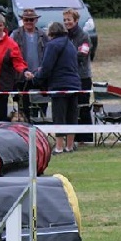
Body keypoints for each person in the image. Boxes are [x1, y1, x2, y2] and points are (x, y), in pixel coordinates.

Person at [33, 22, 81, 154]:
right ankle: (69, 146)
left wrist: (35, 78)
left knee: (59, 116)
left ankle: (59, 147)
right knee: (72, 116)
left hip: (59, 85)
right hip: (74, 85)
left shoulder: (52, 45)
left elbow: (46, 67)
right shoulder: (70, 44)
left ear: (51, 33)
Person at [10, 8, 49, 122]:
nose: (28, 22)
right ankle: (26, 134)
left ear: (36, 20)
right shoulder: (15, 34)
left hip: (39, 77)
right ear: (22, 20)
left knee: (42, 107)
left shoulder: (43, 35)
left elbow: (48, 54)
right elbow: (11, 55)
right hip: (22, 78)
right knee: (24, 109)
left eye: (31, 20)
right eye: (26, 20)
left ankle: (40, 133)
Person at [63, 8, 93, 145]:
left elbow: (82, 54)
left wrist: (66, 57)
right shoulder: (63, 36)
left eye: (69, 20)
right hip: (68, 77)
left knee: (83, 107)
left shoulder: (84, 36)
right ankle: (72, 138)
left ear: (76, 21)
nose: (66, 22)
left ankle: (86, 138)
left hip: (82, 77)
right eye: (64, 20)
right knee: (71, 108)